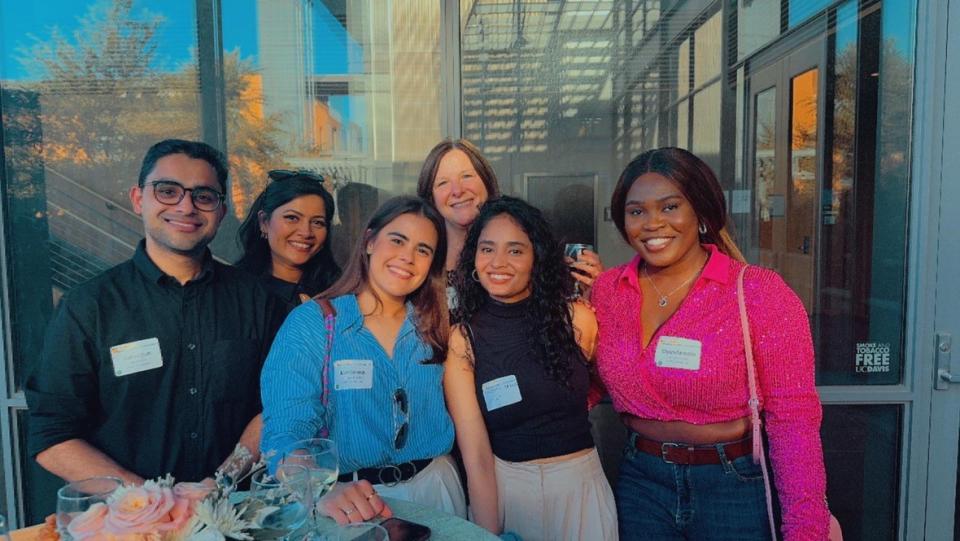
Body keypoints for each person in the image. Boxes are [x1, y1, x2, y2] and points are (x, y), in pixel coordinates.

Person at [591, 147, 829, 540]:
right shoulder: (608, 292)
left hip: (731, 485)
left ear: (701, 212)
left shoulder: (758, 292)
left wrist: (807, 528)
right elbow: (591, 382)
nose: (652, 224)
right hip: (641, 482)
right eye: (637, 212)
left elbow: (795, 420)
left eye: (669, 207)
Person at [25, 139, 288, 485]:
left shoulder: (258, 300)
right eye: (167, 191)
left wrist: (220, 483)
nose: (186, 206)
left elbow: (275, 405)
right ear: (138, 199)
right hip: (128, 520)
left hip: (236, 512)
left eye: (203, 196)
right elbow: (52, 434)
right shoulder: (89, 306)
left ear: (221, 212)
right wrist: (149, 500)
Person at [260, 196, 465, 524]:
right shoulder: (314, 323)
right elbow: (286, 430)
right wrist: (318, 488)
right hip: (352, 501)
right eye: (397, 240)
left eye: (423, 250)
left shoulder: (437, 327)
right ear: (369, 242)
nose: (407, 257)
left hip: (437, 487)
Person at [444, 196, 618, 540]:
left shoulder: (576, 319)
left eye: (515, 250)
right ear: (474, 258)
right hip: (509, 491)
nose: (498, 262)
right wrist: (487, 534)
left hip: (581, 487)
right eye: (487, 249)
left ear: (537, 257)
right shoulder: (462, 339)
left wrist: (604, 292)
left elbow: (616, 385)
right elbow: (476, 455)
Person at [416, 139, 604, 295]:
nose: (457, 190)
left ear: (487, 181)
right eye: (442, 183)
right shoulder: (420, 265)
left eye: (466, 176)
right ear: (430, 196)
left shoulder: (535, 258)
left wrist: (594, 291)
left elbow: (562, 327)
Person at [236, 169, 341, 306]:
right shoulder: (235, 292)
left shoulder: (340, 294)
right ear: (264, 222)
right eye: (292, 218)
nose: (306, 232)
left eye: (317, 222)